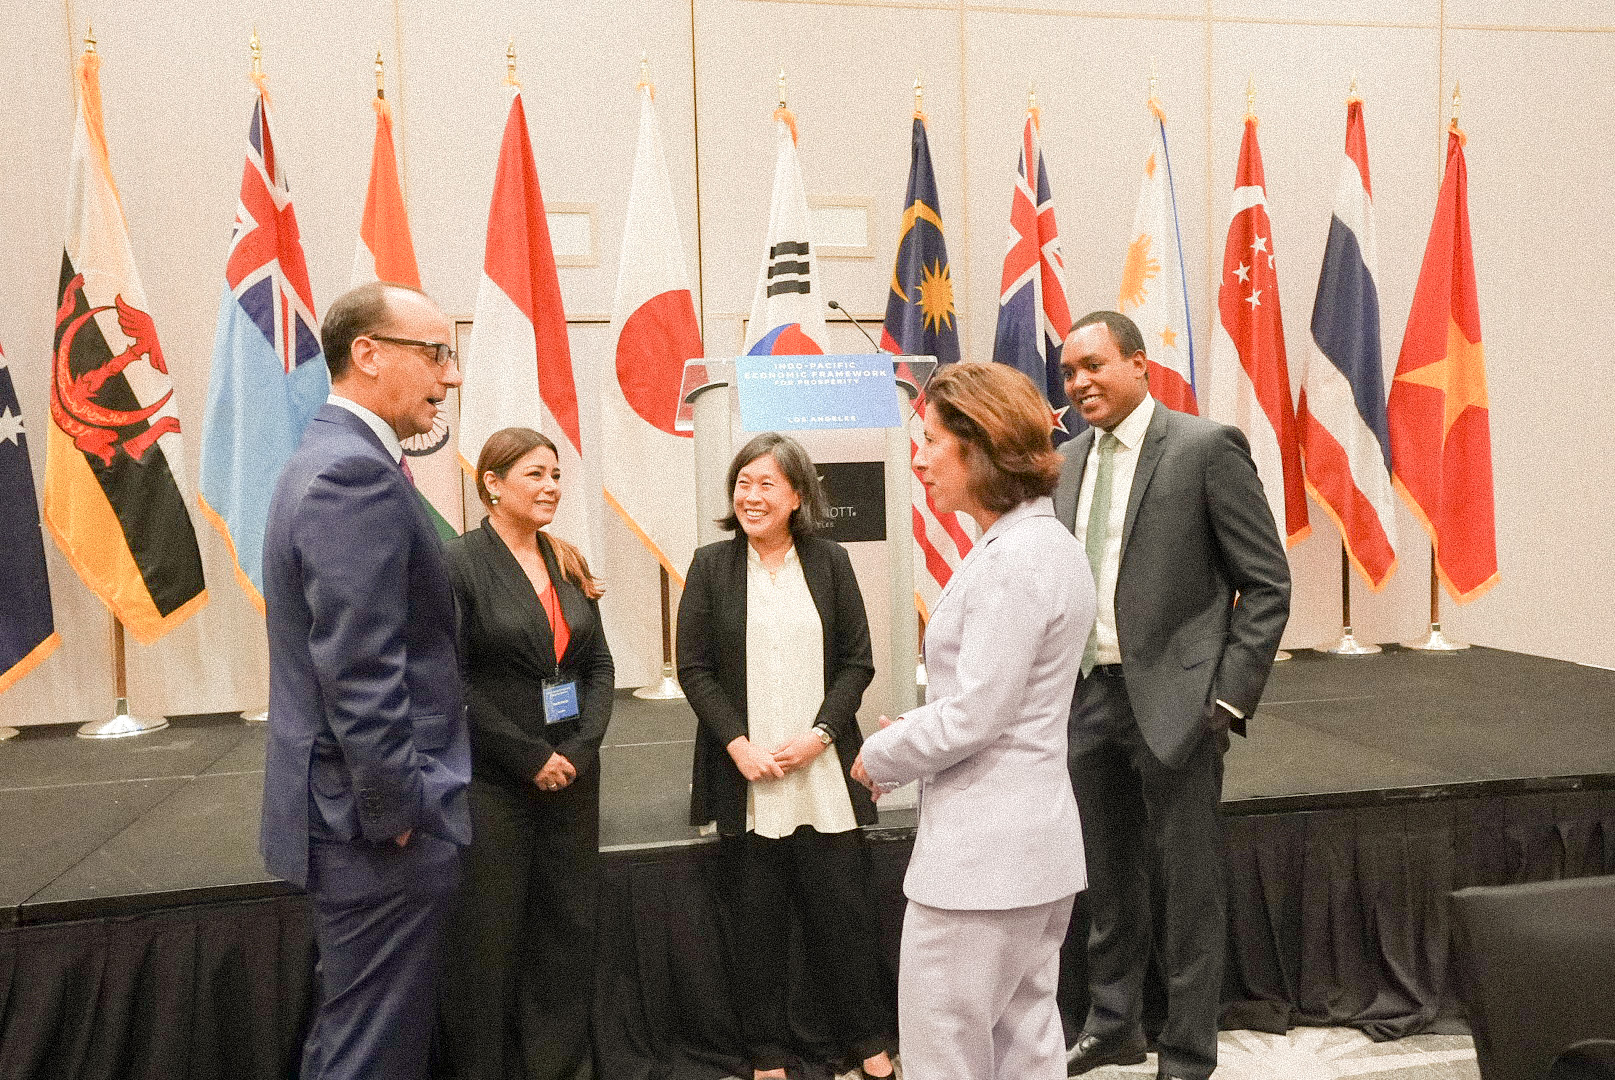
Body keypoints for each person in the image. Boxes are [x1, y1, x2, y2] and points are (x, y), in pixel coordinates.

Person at [1054, 311, 1291, 1080]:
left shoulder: (1203, 448)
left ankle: (1187, 1051)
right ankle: (1114, 1024)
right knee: (1107, 882)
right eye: (1068, 372)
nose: (1080, 382)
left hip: (1179, 707)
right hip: (1087, 700)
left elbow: (1265, 583)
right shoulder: (1062, 462)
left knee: (1188, 889)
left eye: (1093, 365)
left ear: (1137, 364)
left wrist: (1225, 700)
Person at [852, 362, 1095, 1080]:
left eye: (929, 440)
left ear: (980, 445)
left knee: (945, 1057)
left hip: (980, 867)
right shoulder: (1043, 546)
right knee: (1024, 1050)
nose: (918, 458)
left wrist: (882, 753)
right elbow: (1000, 702)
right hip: (1030, 853)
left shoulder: (1013, 561)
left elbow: (976, 716)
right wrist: (928, 725)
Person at [260, 281, 469, 1080]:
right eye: (434, 354)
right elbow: (360, 669)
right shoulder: (355, 474)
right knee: (372, 1050)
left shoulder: (326, 456)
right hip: (370, 828)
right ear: (368, 354)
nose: (448, 376)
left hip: (346, 818)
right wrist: (396, 813)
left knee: (354, 1034)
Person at [677, 432, 897, 1080]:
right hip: (746, 779)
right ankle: (766, 1056)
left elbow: (858, 661)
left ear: (797, 493)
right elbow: (693, 669)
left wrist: (821, 734)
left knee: (845, 924)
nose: (751, 494)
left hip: (821, 776)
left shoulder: (829, 561)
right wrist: (736, 744)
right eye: (743, 482)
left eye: (766, 483)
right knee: (755, 932)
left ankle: (868, 1045)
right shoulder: (711, 565)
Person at [437, 426, 615, 1080]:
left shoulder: (565, 558)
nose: (550, 488)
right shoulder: (456, 564)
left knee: (565, 937)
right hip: (494, 783)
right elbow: (449, 681)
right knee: (488, 943)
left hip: (573, 776)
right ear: (492, 483)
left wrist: (579, 748)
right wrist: (528, 756)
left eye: (556, 475)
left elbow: (596, 666)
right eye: (535, 475)